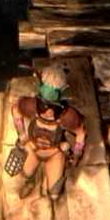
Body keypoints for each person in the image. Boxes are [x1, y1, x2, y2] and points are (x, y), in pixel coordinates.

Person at [10, 65, 86, 201]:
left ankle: (48, 180)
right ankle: (30, 181)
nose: (48, 112)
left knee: (54, 193)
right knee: (25, 173)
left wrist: (76, 154)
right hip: (33, 148)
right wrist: (21, 134)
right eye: (43, 105)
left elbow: (81, 132)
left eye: (54, 107)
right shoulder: (30, 106)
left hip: (54, 153)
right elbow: (16, 109)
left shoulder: (67, 117)